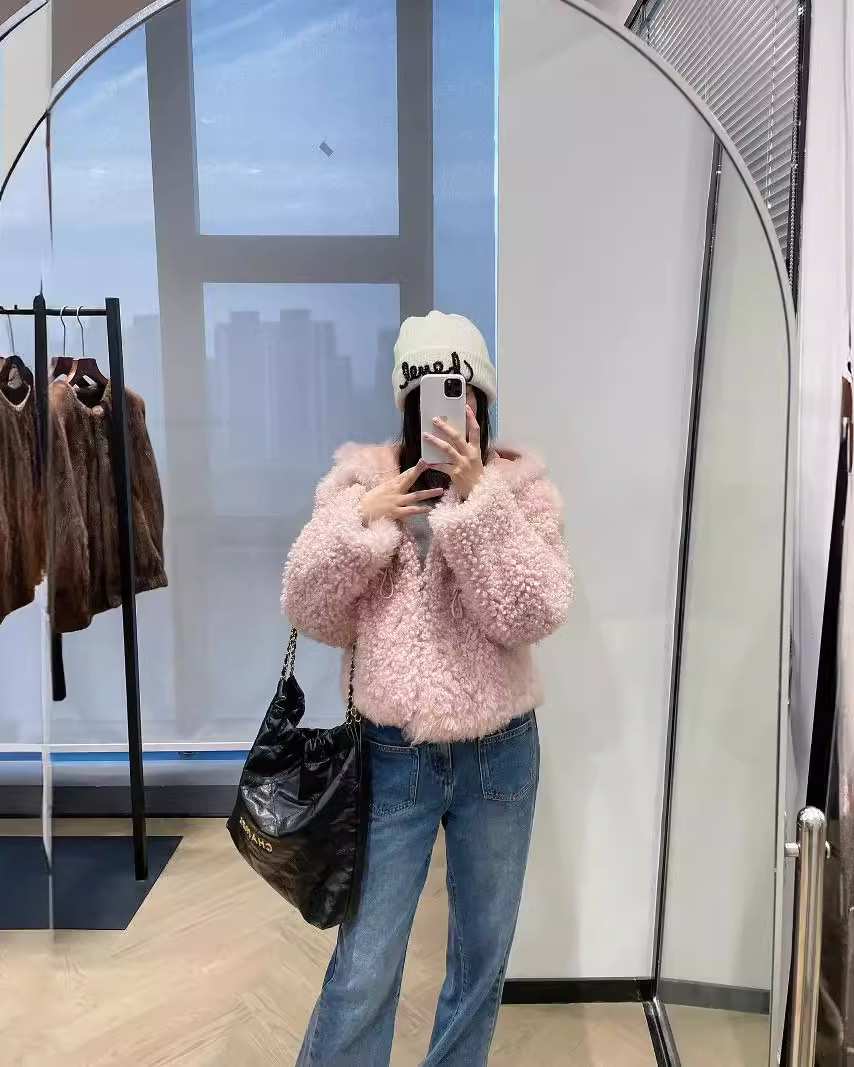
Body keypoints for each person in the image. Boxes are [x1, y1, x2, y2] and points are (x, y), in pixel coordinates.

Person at [282, 310, 573, 1066]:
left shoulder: (521, 490)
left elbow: (533, 612)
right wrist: (363, 522)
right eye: (428, 392)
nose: (447, 408)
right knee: (364, 966)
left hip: (500, 755)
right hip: (391, 755)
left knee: (481, 960)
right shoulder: (361, 484)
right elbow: (308, 607)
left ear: (482, 400)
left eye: (461, 391)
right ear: (404, 400)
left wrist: (480, 507)